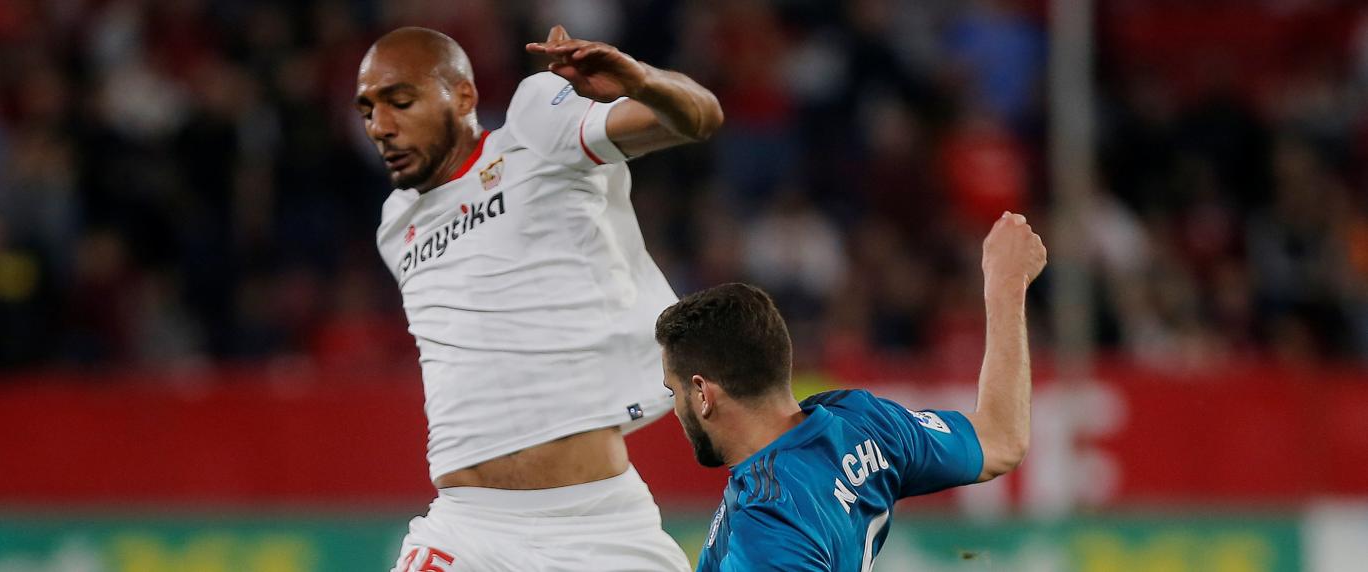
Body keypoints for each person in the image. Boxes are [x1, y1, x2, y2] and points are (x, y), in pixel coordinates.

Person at [357, 24, 723, 571]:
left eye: (400, 102)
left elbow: (700, 117)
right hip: (466, 529)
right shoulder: (395, 224)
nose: (380, 127)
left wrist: (640, 82)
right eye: (367, 111)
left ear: (463, 95)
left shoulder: (535, 131)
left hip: (599, 525)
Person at [655, 213, 1047, 571]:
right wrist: (1006, 285)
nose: (674, 409)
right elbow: (1000, 437)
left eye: (673, 390)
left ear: (703, 393)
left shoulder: (768, 522)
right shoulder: (863, 423)